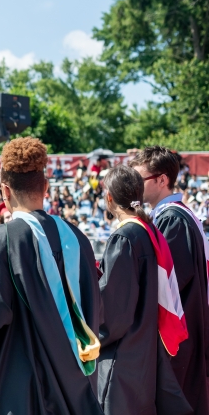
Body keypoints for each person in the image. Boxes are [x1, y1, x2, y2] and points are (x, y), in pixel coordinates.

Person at [0, 137, 103, 414]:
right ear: (46, 186)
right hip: (74, 382)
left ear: (5, 190)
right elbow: (94, 306)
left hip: (18, 386)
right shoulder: (77, 239)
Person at [96, 165, 191, 414]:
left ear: (109, 198)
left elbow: (115, 310)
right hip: (145, 354)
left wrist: (89, 335)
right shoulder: (150, 231)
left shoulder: (125, 237)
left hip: (122, 359)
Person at [131, 146, 209, 415]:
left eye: (139, 179)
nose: (134, 186)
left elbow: (166, 282)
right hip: (186, 330)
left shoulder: (173, 220)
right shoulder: (177, 215)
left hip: (178, 335)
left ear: (162, 180)